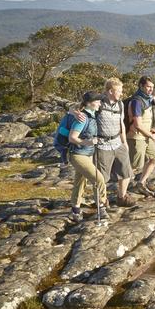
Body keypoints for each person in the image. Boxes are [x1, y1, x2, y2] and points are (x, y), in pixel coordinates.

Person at [73, 78, 136, 207]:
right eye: (119, 91)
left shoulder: (120, 104)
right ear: (111, 91)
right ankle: (102, 201)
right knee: (102, 177)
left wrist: (124, 143)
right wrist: (73, 113)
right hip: (102, 145)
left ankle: (122, 197)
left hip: (118, 142)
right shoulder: (99, 102)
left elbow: (121, 124)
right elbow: (76, 107)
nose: (121, 93)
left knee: (126, 171)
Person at [68, 91, 108, 222]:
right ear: (89, 103)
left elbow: (72, 107)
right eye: (97, 101)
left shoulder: (92, 113)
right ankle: (101, 207)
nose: (100, 103)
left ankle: (75, 210)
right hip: (79, 155)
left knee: (81, 181)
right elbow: (72, 137)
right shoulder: (83, 118)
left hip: (87, 154)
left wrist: (72, 110)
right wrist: (87, 142)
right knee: (99, 179)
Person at [127, 76, 155, 196]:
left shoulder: (147, 100)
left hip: (146, 136)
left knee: (154, 158)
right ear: (141, 86)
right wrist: (152, 136)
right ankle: (123, 191)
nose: (151, 89)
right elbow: (137, 125)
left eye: (152, 87)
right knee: (134, 166)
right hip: (136, 137)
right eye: (148, 87)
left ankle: (141, 183)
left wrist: (151, 129)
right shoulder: (137, 101)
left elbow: (144, 121)